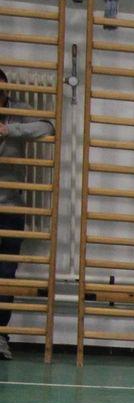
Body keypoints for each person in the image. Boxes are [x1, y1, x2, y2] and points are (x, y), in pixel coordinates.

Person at [0, 65, 54, 360]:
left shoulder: (16, 111)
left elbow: (47, 126)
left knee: (6, 275)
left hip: (10, 207)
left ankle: (0, 335)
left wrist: (10, 130)